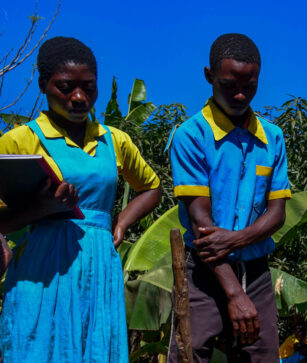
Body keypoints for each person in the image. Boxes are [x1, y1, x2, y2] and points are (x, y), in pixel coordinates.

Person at [0, 36, 162, 362]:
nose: (79, 97)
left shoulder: (114, 140)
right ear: (44, 85)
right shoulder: (20, 139)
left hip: (99, 264)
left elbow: (152, 187)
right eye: (65, 87)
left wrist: (121, 224)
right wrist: (44, 207)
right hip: (41, 267)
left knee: (97, 348)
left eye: (88, 87)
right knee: (37, 348)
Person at [168, 33, 291, 363]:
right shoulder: (191, 136)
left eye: (249, 86)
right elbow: (200, 223)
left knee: (262, 356)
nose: (239, 94)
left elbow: (277, 213)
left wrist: (236, 239)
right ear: (209, 76)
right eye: (228, 84)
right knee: (189, 352)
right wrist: (235, 294)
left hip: (257, 272)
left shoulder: (272, 138)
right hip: (204, 271)